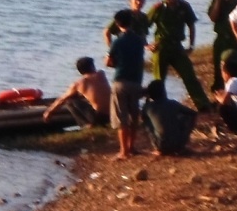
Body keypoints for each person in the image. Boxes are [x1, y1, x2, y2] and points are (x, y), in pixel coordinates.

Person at [146, 0, 210, 110]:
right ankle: (157, 107)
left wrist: (191, 46)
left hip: (177, 47)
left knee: (189, 76)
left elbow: (191, 25)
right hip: (161, 47)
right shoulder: (158, 8)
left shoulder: (184, 6)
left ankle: (203, 105)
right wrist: (146, 45)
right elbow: (143, 25)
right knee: (158, 81)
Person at [105, 8, 147, 159]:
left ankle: (124, 152)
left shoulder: (118, 41)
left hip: (121, 81)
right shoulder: (139, 40)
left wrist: (116, 64)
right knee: (134, 116)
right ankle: (132, 147)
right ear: (131, 22)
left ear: (117, 24)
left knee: (121, 118)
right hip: (136, 80)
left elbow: (108, 61)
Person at [45, 56, 111, 127]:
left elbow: (62, 99)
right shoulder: (101, 74)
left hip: (98, 117)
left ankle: (86, 125)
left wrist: (49, 112)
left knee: (70, 101)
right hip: (112, 114)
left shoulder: (79, 83)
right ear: (92, 67)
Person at [207, 0, 237, 92]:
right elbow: (213, 17)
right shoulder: (220, 0)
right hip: (222, 40)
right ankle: (220, 96)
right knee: (219, 72)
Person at [142, 78, 197, 156]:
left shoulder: (148, 107)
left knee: (148, 120)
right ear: (164, 92)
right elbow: (193, 113)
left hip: (160, 145)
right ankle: (180, 144)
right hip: (178, 144)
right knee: (185, 117)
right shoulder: (173, 103)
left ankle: (157, 148)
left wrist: (147, 99)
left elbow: (144, 118)